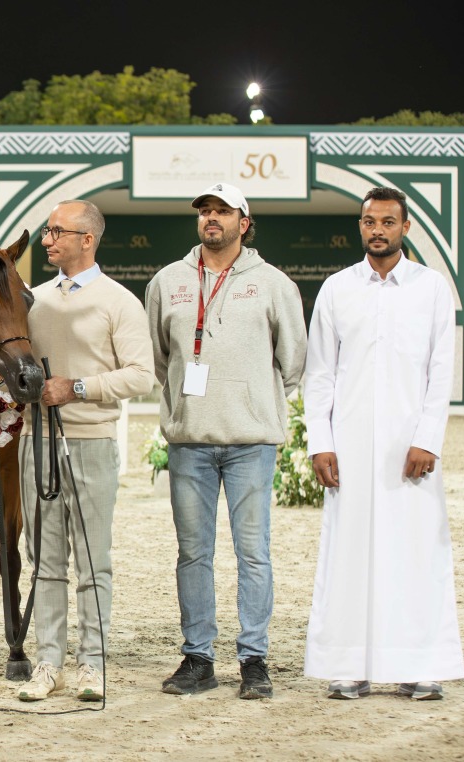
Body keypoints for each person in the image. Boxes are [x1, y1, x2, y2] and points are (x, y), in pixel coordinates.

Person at [145, 182, 307, 700]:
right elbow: (159, 358)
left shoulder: (275, 283)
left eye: (223, 211)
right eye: (205, 211)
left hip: (251, 442)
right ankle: (199, 658)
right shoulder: (167, 281)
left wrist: (250, 399)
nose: (212, 218)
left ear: (245, 221)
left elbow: (293, 362)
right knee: (193, 553)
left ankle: (254, 660)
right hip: (190, 439)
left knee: (253, 553)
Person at [303, 186, 464, 701]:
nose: (378, 230)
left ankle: (419, 665)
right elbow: (319, 374)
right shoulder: (336, 288)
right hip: (348, 445)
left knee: (416, 553)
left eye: (388, 222)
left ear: (405, 227)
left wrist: (427, 439)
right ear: (361, 228)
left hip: (409, 448)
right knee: (349, 552)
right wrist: (320, 443)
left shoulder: (432, 288)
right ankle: (350, 665)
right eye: (370, 221)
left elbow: (443, 372)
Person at [0, 201, 154, 702]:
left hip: (91, 441)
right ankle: (49, 662)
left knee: (93, 561)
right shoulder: (32, 300)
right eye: (46, 231)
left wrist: (77, 388)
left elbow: (140, 375)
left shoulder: (119, 302)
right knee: (44, 558)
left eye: (56, 232)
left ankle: (92, 664)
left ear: (87, 239)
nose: (46, 240)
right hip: (34, 440)